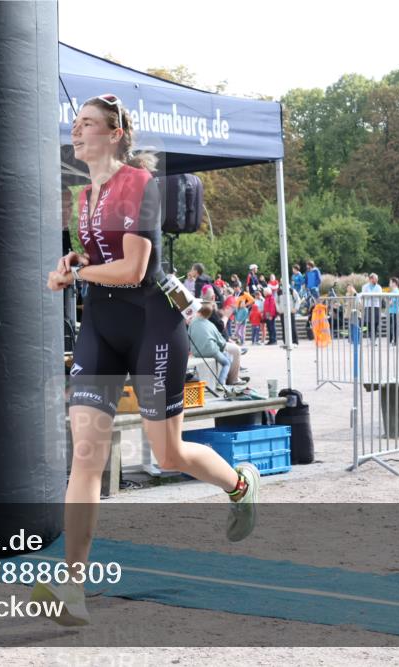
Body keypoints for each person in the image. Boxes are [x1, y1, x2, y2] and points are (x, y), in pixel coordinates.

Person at [39, 93, 259, 625]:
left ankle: (240, 485)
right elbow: (100, 257)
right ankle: (72, 590)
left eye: (88, 124)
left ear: (114, 134)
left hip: (153, 326)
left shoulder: (140, 185)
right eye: (75, 124)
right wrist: (77, 260)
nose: (77, 132)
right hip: (101, 327)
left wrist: (76, 275)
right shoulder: (83, 193)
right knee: (86, 454)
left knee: (168, 454)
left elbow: (134, 269)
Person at [361, 273, 383, 340]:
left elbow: (379, 297)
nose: (376, 280)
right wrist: (372, 296)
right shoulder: (364, 286)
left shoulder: (379, 287)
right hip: (368, 306)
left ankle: (374, 338)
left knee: (376, 323)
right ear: (371, 279)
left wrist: (370, 296)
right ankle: (371, 337)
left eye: (377, 279)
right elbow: (364, 296)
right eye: (375, 279)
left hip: (376, 306)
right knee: (368, 322)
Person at [387, 277, 399, 345]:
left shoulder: (395, 291)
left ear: (394, 283)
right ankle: (393, 340)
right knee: (393, 326)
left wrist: (387, 302)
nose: (389, 284)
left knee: (393, 326)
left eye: (390, 282)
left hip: (394, 311)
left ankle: (393, 341)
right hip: (393, 311)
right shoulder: (395, 291)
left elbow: (391, 302)